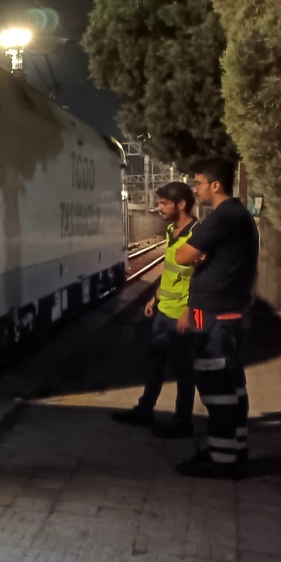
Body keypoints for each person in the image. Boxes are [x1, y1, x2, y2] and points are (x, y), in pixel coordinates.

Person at [173, 158, 259, 479]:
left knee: (216, 386)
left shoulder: (224, 216)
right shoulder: (240, 216)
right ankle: (232, 449)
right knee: (232, 385)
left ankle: (221, 461)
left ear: (215, 185)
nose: (196, 189)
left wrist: (196, 254)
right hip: (225, 309)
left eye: (198, 183)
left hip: (216, 316)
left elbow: (183, 255)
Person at [113, 182, 198, 437]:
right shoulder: (172, 230)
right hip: (164, 311)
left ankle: (183, 423)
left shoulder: (198, 236)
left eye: (163, 203)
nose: (158, 207)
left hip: (182, 315)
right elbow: (170, 271)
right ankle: (144, 410)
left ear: (180, 204)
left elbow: (202, 280)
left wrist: (189, 313)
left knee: (184, 371)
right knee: (155, 364)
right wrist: (155, 297)